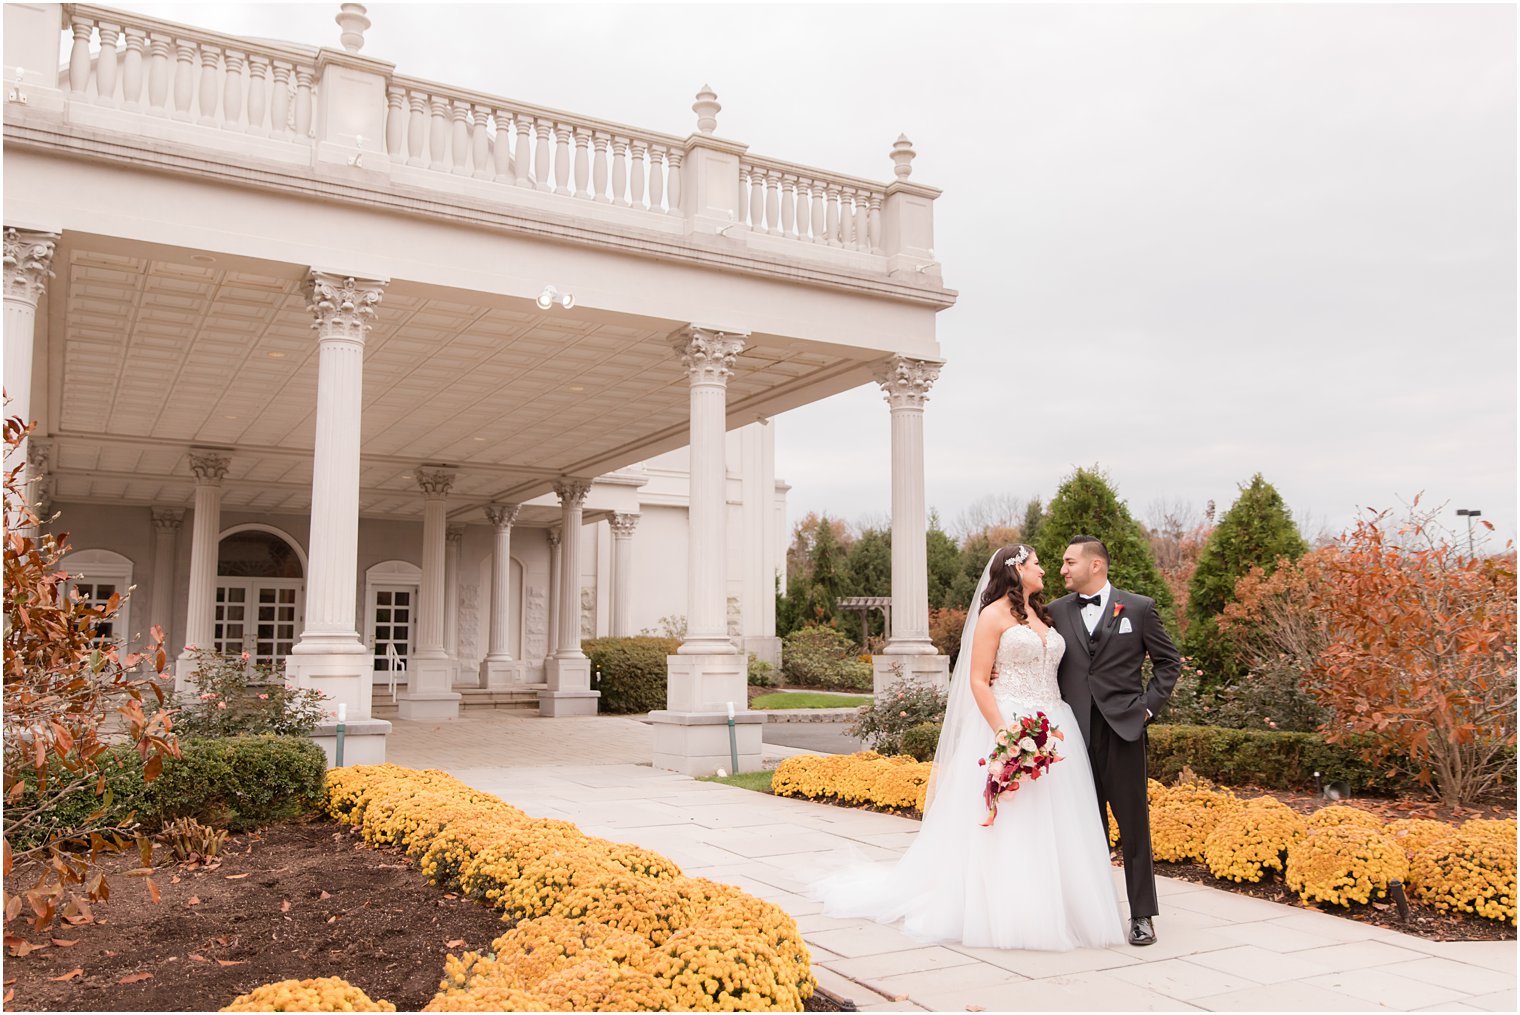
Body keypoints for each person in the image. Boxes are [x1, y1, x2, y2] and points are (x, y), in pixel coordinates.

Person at [811, 544, 1124, 951]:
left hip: (1055, 722)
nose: (1044, 568)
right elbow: (978, 680)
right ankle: (1013, 912)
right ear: (1017, 570)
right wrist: (1005, 734)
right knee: (1013, 820)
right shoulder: (992, 616)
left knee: (1060, 818)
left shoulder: (1044, 615)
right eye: (1036, 563)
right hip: (1010, 721)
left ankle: (1064, 906)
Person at [1051, 534, 1181, 947]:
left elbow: (1168, 663)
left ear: (1095, 566)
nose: (1062, 569)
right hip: (1073, 733)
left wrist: (1146, 709)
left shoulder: (1139, 609)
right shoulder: (1054, 612)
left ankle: (1142, 915)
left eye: (1069, 562)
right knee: (1084, 826)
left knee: (1133, 826)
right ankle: (1094, 911)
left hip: (1124, 731)